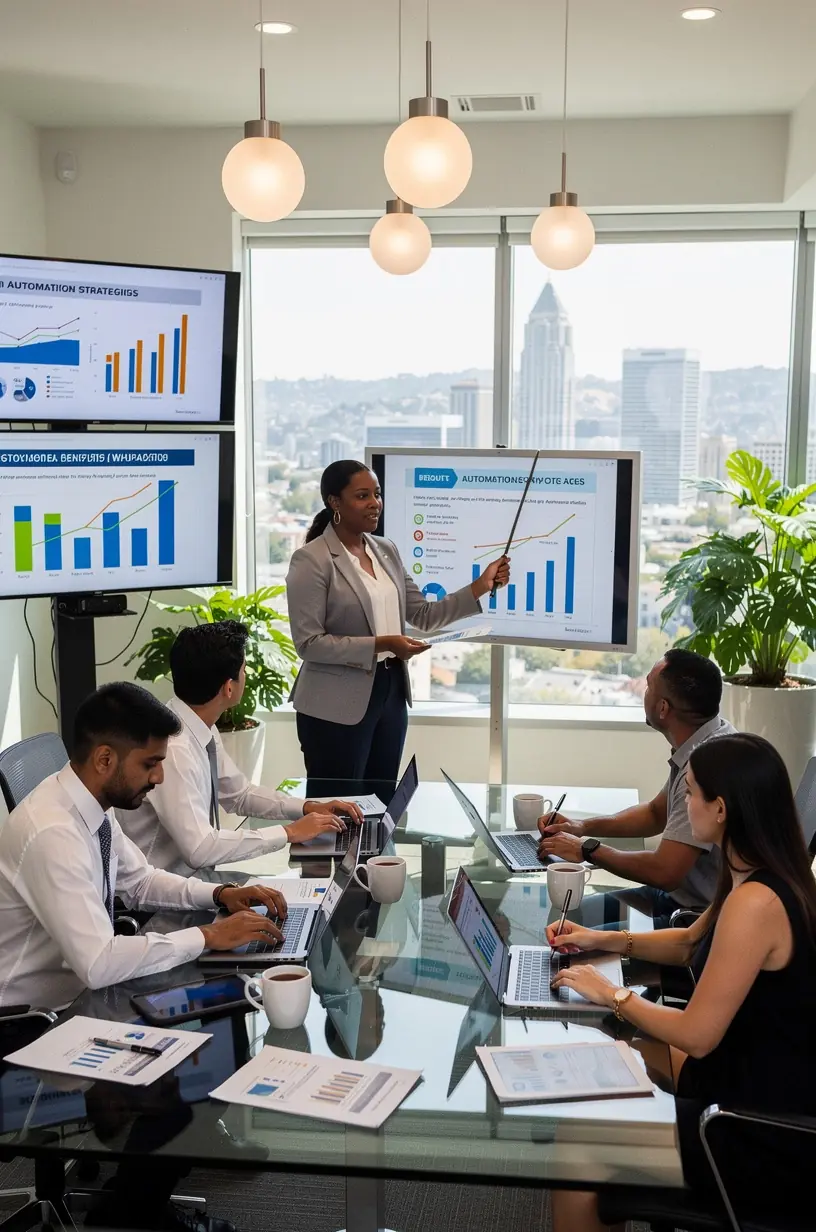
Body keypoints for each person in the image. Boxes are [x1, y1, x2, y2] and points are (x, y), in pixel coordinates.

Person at [545, 733, 816, 1230]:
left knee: (580, 1140)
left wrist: (611, 994)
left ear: (720, 809)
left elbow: (696, 1033)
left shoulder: (757, 903)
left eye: (690, 792)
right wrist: (597, 940)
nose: (682, 803)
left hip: (755, 1128)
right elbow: (689, 942)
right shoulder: (759, 872)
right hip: (747, 1073)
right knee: (601, 1056)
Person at [0, 682, 290, 1012]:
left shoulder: (89, 803)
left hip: (86, 997)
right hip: (34, 1024)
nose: (160, 777)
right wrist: (208, 935)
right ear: (104, 759)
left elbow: (140, 882)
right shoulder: (52, 832)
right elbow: (99, 963)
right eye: (150, 764)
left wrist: (220, 893)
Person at [286, 459, 510, 798]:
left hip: (389, 690)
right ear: (335, 502)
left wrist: (480, 586)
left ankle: (373, 855)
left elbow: (423, 614)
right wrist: (383, 643)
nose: (374, 503)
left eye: (377, 494)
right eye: (362, 495)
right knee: (337, 811)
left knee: (382, 800)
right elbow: (310, 644)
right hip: (334, 706)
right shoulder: (311, 560)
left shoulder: (385, 550)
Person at [121, 620, 362, 876]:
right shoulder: (175, 750)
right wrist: (289, 832)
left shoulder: (197, 725)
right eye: (244, 670)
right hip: (161, 897)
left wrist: (306, 807)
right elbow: (200, 849)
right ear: (228, 687)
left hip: (193, 881)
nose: (246, 676)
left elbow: (239, 795)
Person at [538, 649, 734, 921]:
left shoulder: (705, 766)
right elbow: (656, 813)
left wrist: (587, 849)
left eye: (649, 686)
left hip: (695, 917)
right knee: (569, 917)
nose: (644, 692)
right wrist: (582, 826)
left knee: (567, 925)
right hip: (675, 898)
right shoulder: (711, 739)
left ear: (663, 708)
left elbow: (665, 872)